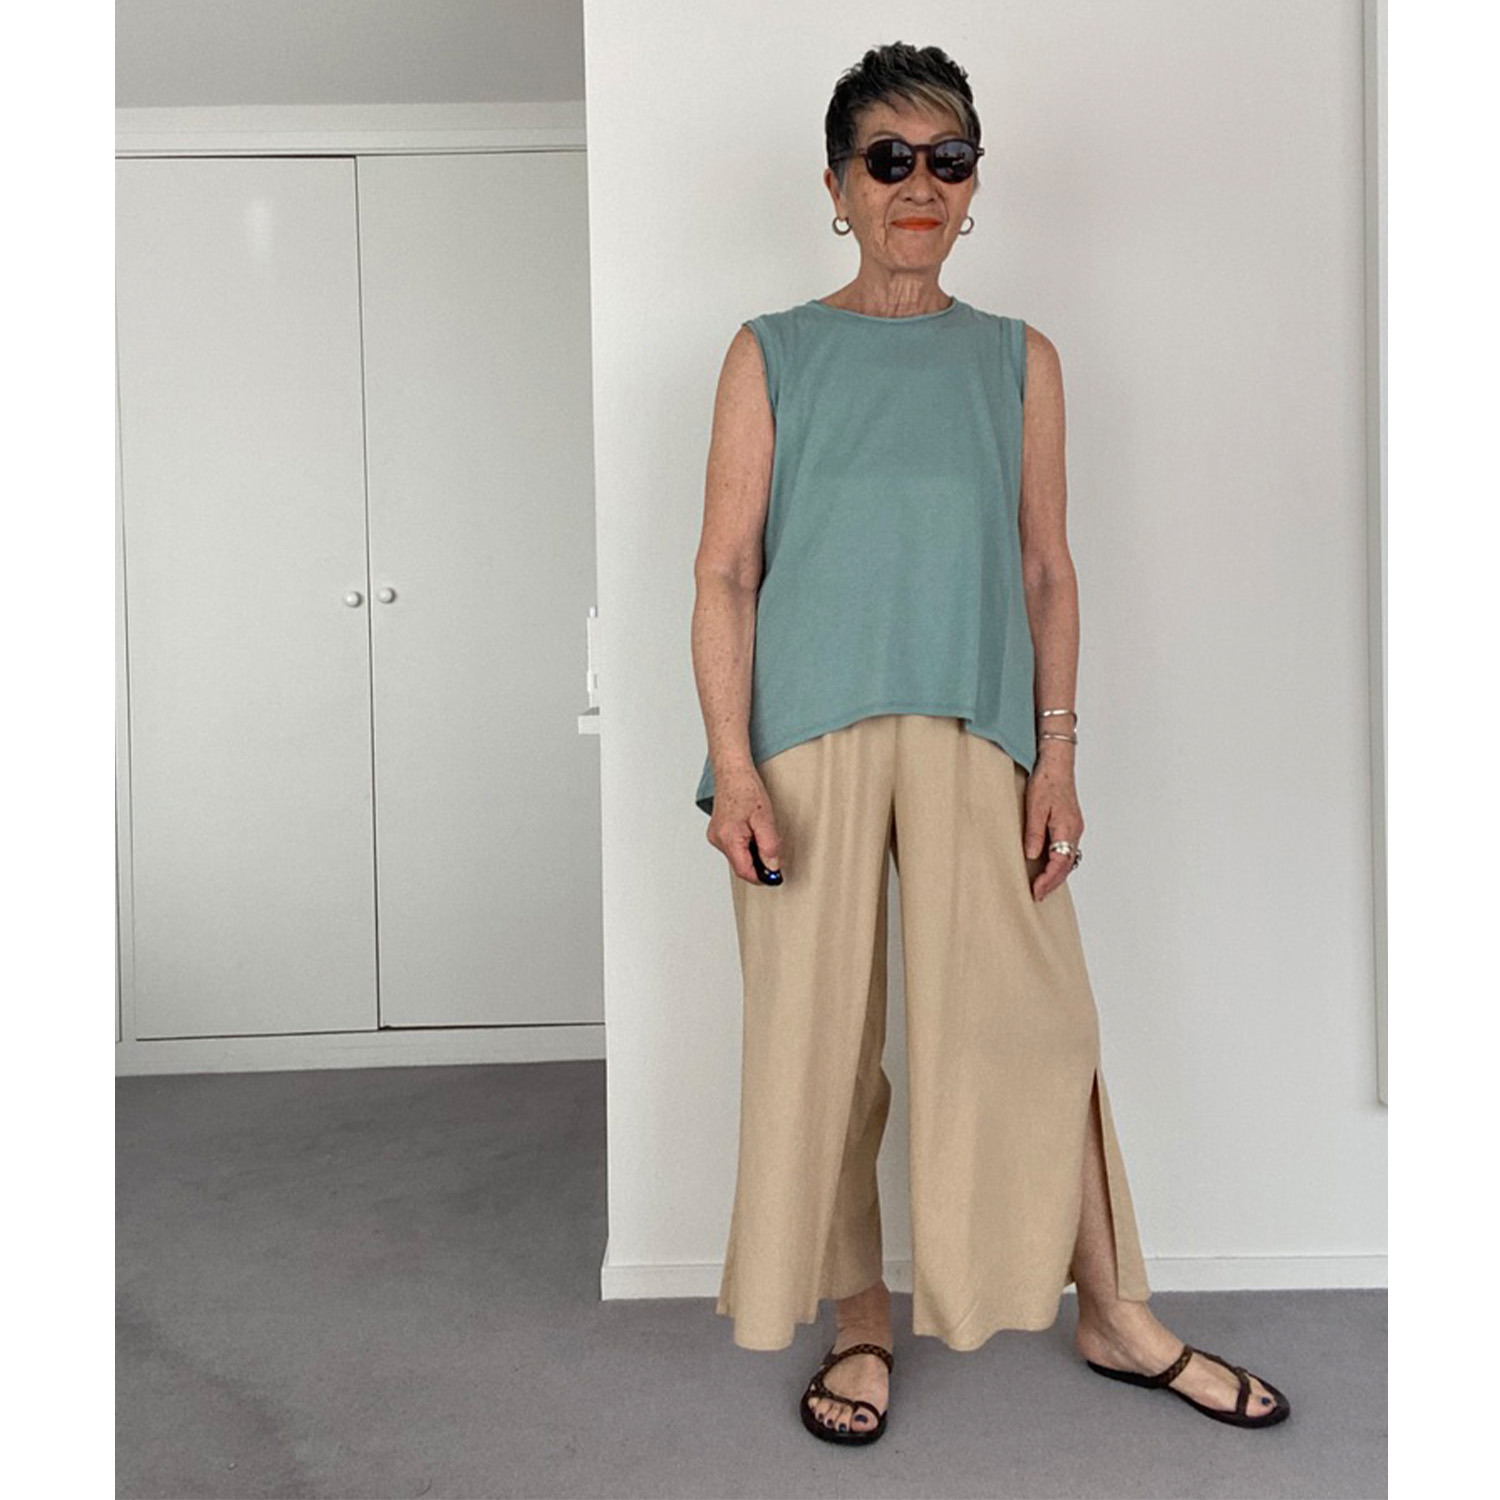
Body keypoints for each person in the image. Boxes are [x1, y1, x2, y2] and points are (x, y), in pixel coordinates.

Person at [689, 41, 1291, 1446]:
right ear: (837, 186)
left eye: (946, 160)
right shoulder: (771, 350)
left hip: (979, 731)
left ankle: (1115, 1311)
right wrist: (733, 765)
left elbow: (1046, 570)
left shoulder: (1019, 359)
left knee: (1037, 1028)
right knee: (821, 1047)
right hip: (801, 743)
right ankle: (858, 1323)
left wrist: (1058, 756)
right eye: (887, 159)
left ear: (974, 185)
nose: (919, 185)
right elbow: (724, 570)